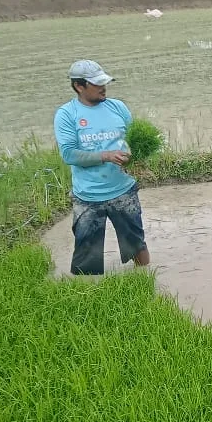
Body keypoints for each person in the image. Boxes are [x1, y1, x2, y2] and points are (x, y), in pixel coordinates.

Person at [53, 59, 151, 276]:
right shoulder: (67, 115)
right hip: (88, 196)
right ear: (79, 86)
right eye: (96, 84)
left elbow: (134, 141)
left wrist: (135, 157)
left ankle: (146, 280)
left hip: (124, 191)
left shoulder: (118, 107)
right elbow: (69, 154)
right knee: (87, 255)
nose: (103, 87)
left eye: (104, 82)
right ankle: (90, 295)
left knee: (137, 245)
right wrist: (105, 156)